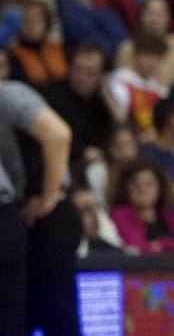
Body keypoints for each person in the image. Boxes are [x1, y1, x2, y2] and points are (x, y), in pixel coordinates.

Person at [0, 75, 75, 336]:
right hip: (22, 214)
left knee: (56, 316)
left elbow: (59, 134)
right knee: (27, 314)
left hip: (45, 214)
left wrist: (48, 197)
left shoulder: (8, 93)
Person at [39, 42, 118, 184]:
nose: (82, 78)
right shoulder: (51, 94)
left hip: (101, 163)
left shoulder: (102, 100)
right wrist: (82, 152)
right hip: (63, 164)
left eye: (91, 73)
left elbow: (122, 128)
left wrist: (107, 96)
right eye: (77, 70)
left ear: (102, 75)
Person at [108, 159, 174, 254]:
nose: (142, 190)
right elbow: (138, 249)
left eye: (149, 184)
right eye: (135, 185)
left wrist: (162, 244)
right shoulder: (119, 215)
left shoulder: (169, 215)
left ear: (160, 188)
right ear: (125, 189)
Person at [106, 34, 169, 133]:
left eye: (155, 58)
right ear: (135, 55)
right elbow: (119, 116)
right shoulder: (120, 79)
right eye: (146, 56)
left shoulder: (161, 91)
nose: (150, 62)